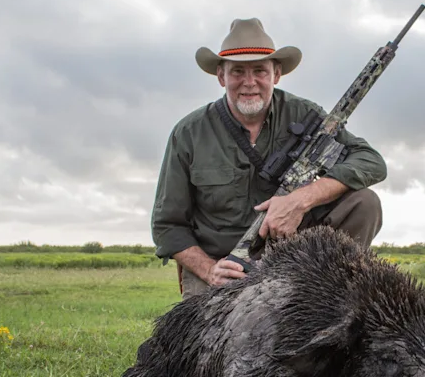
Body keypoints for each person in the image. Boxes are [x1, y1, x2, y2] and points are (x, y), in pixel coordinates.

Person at [152, 18, 387, 298]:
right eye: (237, 71)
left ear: (276, 74)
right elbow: (167, 225)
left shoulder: (305, 115)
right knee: (208, 339)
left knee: (365, 202)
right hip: (223, 268)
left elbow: (371, 161)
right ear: (221, 76)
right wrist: (209, 270)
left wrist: (301, 200)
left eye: (260, 71)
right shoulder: (188, 133)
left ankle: (330, 295)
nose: (249, 82)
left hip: (295, 260)